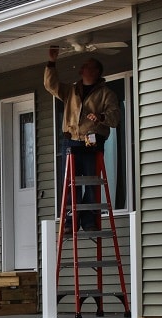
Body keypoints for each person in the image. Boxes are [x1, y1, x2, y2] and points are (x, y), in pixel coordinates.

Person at [44, 47, 120, 231]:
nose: (82, 68)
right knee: (71, 182)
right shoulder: (71, 91)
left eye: (86, 66)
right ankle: (71, 220)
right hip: (71, 141)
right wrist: (51, 63)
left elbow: (115, 118)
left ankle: (89, 220)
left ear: (95, 71)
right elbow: (51, 85)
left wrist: (100, 117)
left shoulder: (106, 94)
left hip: (93, 142)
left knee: (92, 181)